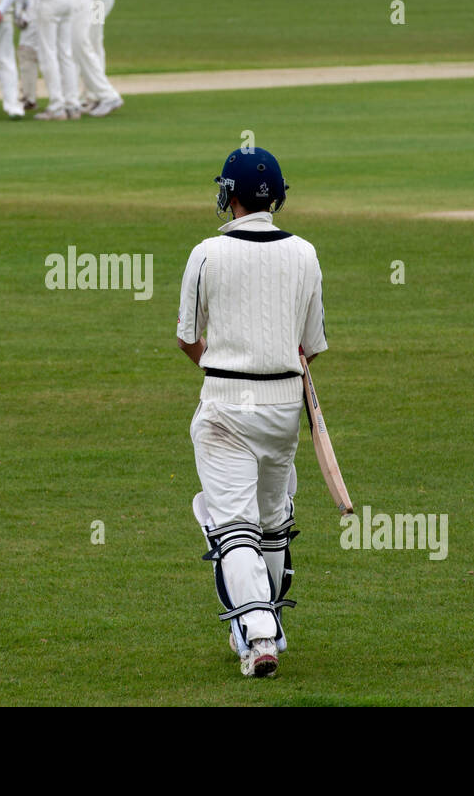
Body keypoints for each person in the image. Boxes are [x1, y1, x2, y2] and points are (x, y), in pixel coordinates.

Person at [175, 148, 326, 678]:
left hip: (224, 405)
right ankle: (268, 617)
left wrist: (221, 367)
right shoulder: (306, 253)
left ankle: (259, 634)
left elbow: (188, 337)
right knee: (271, 523)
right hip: (284, 406)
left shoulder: (206, 253)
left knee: (235, 526)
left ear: (230, 195)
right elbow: (311, 345)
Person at [14, 0, 43, 111]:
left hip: (97, 2)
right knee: (88, 44)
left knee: (91, 44)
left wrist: (19, 8)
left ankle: (99, 95)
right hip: (91, 0)